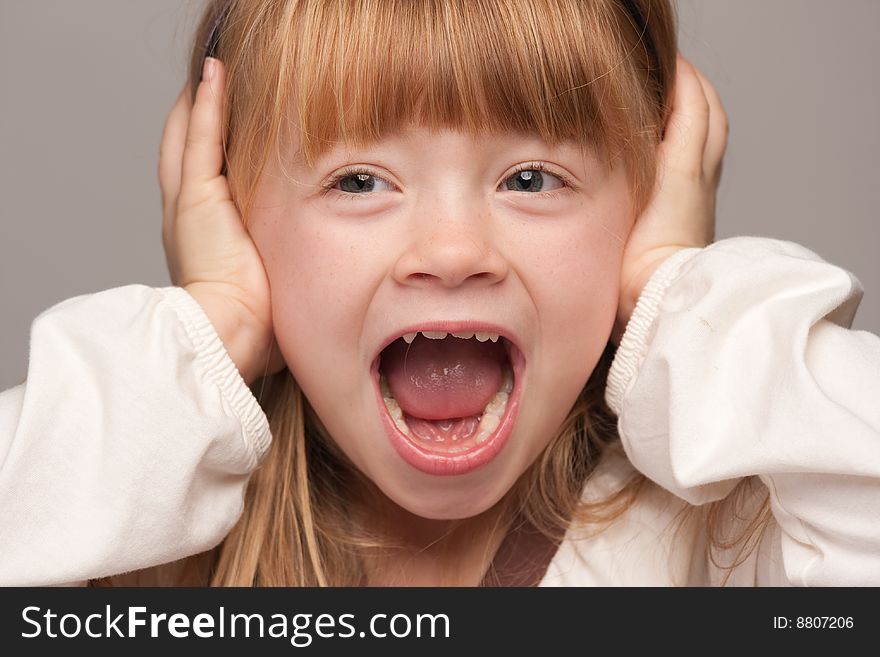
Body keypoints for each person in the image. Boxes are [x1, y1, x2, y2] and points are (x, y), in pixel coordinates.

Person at [1, 0, 878, 587]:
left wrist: (677, 297)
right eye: (357, 182)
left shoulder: (723, 541)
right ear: (233, 211)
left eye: (533, 177)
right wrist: (216, 325)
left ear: (645, 204)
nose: (454, 251)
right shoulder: (142, 548)